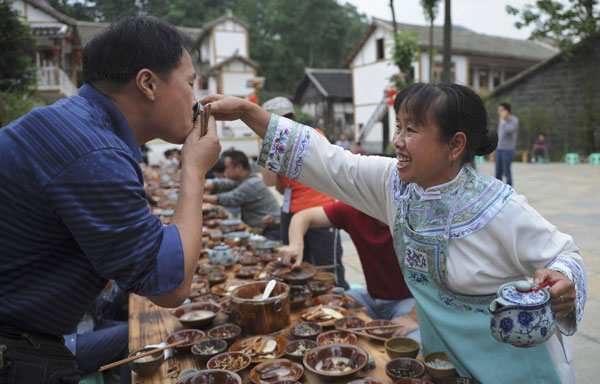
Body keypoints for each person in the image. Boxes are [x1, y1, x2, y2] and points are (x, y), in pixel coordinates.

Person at [201, 82, 586, 383]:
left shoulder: (499, 206)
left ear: (455, 144)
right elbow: (331, 161)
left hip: (516, 364)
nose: (397, 140)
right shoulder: (394, 184)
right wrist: (249, 114)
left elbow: (565, 256)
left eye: (412, 129)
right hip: (446, 363)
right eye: (398, 126)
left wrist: (563, 281)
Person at [0, 15, 220, 383]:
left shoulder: (76, 125)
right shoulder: (93, 151)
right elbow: (170, 286)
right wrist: (194, 169)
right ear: (148, 83)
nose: (196, 102)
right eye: (190, 84)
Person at [280, 201, 420, 341]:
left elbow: (438, 278)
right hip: (370, 297)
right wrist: (296, 246)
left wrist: (414, 318)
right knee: (322, 313)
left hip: (410, 301)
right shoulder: (354, 209)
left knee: (413, 344)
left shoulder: (414, 217)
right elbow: (303, 217)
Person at [261, 96, 348, 289]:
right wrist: (268, 143)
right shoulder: (273, 145)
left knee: (328, 267)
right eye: (273, 121)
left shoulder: (313, 134)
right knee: (295, 265)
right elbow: (272, 183)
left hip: (321, 212)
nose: (281, 124)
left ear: (292, 116)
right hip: (291, 215)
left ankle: (338, 300)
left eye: (284, 118)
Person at [203, 150, 281, 240]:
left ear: (238, 168)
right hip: (262, 228)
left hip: (269, 231)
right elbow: (224, 184)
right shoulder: (245, 179)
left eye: (227, 168)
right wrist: (204, 187)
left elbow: (227, 199)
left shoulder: (251, 184)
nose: (225, 171)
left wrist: (199, 197)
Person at [63, 282, 130, 383]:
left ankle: (116, 375)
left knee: (135, 327)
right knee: (130, 335)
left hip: (91, 326)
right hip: (67, 345)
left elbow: (102, 303)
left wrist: (107, 285)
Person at [495, 102, 519, 186]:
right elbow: (500, 134)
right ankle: (498, 190)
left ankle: (509, 191)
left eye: (501, 110)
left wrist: (503, 121)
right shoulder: (501, 120)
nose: (499, 112)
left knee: (506, 171)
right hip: (499, 149)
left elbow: (508, 130)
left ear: (507, 111)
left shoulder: (514, 120)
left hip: (508, 150)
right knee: (498, 172)